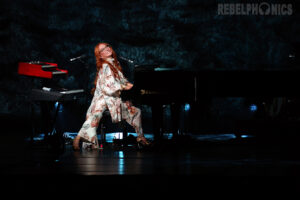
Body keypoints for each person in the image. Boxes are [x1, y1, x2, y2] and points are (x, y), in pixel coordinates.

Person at [73, 42, 150, 150]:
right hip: (104, 99)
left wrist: (132, 86)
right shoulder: (105, 66)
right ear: (100, 55)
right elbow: (110, 86)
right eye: (103, 49)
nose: (107, 49)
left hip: (111, 98)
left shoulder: (114, 64)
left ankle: (141, 138)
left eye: (107, 46)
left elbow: (121, 81)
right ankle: (80, 137)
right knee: (94, 116)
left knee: (136, 112)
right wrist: (125, 86)